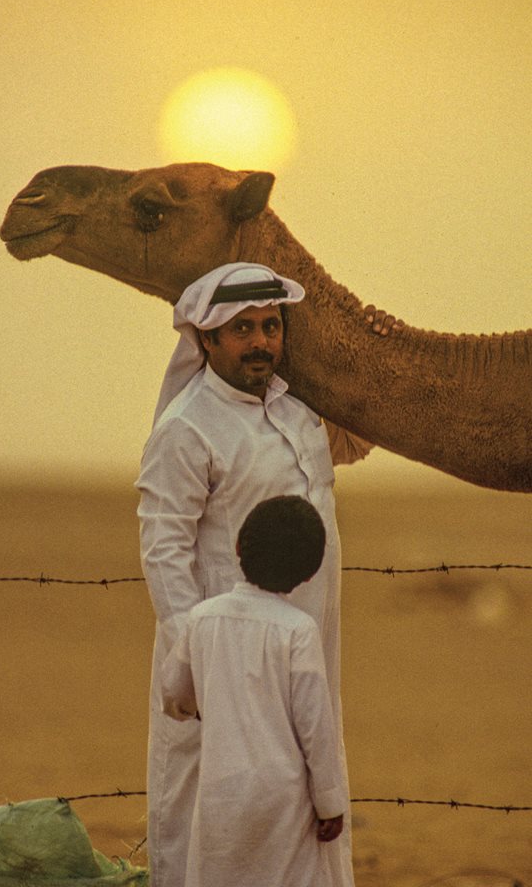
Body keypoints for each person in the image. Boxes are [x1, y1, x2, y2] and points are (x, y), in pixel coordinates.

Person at [136, 262, 401, 887]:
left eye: (271, 326)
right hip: (223, 658)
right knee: (211, 803)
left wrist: (377, 361)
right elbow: (163, 549)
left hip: (306, 643)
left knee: (307, 779)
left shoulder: (298, 411)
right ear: (207, 340)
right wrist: (191, 658)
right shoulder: (187, 427)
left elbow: (359, 437)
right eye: (243, 329)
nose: (261, 342)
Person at [161, 495, 344, 887]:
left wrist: (192, 707)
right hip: (285, 798)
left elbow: (174, 691)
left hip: (220, 791)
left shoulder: (202, 618)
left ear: (239, 546)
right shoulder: (298, 630)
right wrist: (330, 801)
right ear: (310, 574)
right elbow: (316, 728)